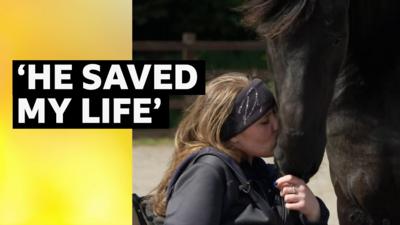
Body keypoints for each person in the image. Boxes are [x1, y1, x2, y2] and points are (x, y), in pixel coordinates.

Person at [149, 73, 329, 225]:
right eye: (264, 122)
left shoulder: (259, 171)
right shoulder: (208, 172)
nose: (276, 125)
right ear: (231, 135)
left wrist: (314, 212)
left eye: (275, 113)